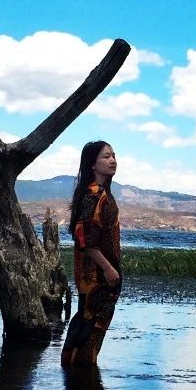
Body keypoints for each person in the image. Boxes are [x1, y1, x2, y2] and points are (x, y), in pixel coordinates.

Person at [60, 141, 122, 368]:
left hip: (99, 278)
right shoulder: (93, 195)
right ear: (92, 165)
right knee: (90, 325)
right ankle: (81, 376)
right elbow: (85, 239)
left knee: (90, 323)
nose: (113, 160)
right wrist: (108, 268)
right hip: (96, 278)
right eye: (106, 157)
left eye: (114, 155)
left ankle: (78, 378)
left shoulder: (103, 194)